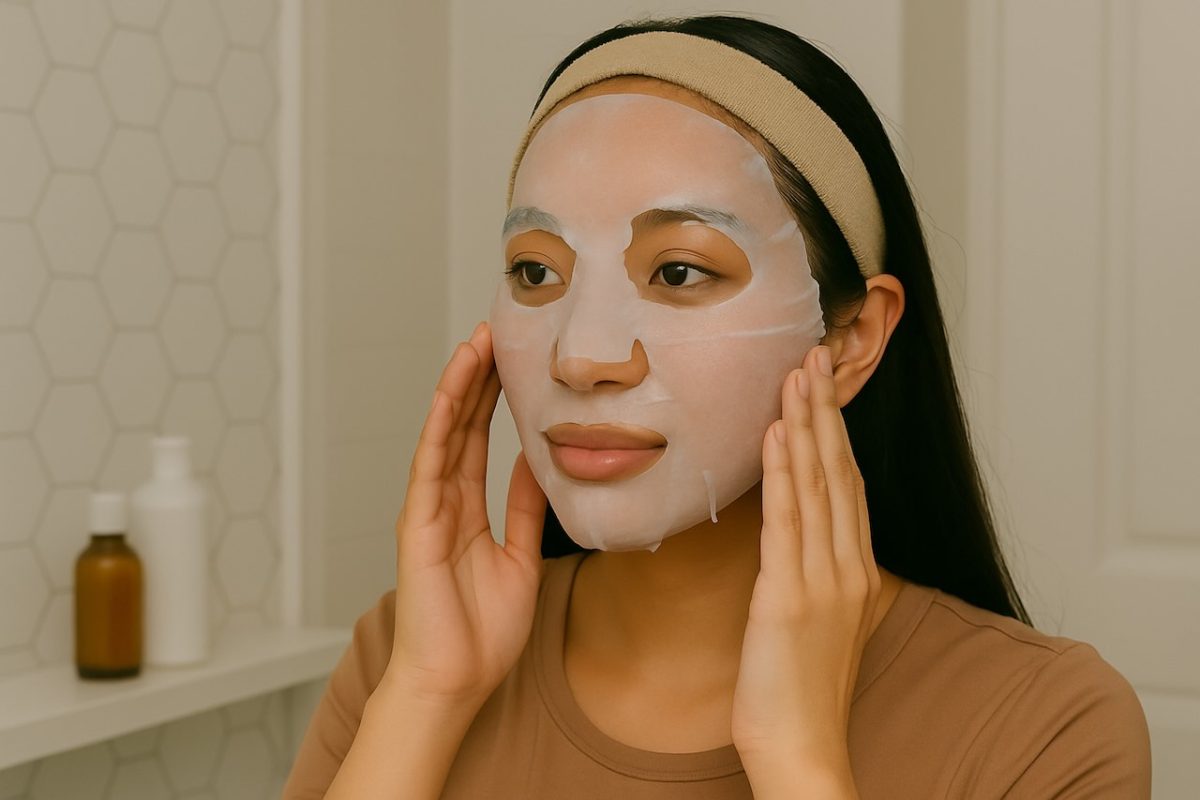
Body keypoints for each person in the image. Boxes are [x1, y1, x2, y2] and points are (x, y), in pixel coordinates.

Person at [283, 14, 1152, 799]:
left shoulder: (1047, 726)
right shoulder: (412, 652)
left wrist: (796, 756)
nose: (582, 355)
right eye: (536, 272)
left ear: (849, 339)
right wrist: (428, 697)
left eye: (680, 271)